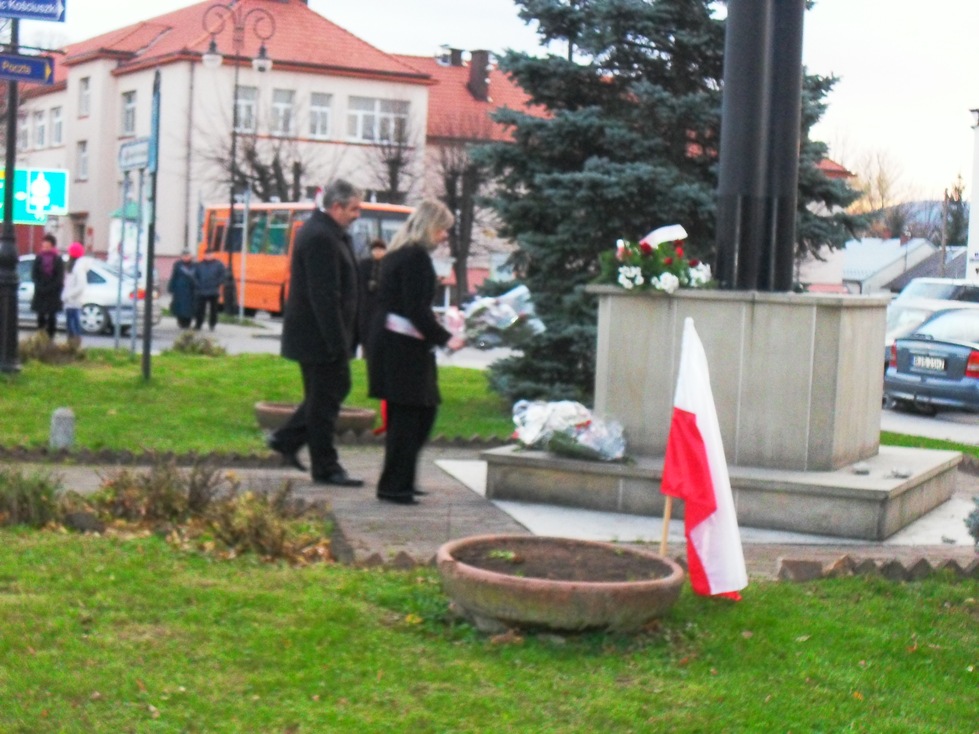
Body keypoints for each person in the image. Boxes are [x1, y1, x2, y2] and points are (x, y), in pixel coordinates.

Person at [267, 179, 365, 487]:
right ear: (336, 207)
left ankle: (287, 439)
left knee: (323, 397)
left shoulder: (329, 233)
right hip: (318, 338)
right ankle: (325, 467)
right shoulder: (321, 237)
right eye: (354, 209)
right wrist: (337, 342)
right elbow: (324, 296)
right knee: (325, 401)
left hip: (320, 336)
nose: (357, 215)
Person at [367, 200, 465, 505]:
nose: (444, 236)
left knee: (412, 414)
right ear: (429, 226)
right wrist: (447, 339)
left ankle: (400, 480)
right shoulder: (415, 258)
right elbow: (416, 310)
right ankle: (396, 485)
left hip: (395, 345)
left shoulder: (399, 255)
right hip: (403, 349)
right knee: (412, 416)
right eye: (442, 229)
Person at [355, 238, 387, 360]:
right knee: (366, 335)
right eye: (375, 249)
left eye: (381, 249)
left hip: (382, 306)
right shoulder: (364, 265)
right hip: (366, 306)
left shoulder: (388, 265)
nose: (378, 252)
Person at [31, 233, 65, 339]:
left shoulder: (58, 259)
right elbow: (34, 274)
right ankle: (41, 337)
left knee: (52, 317)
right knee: (40, 316)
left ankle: (50, 338)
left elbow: (59, 277)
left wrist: (50, 288)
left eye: (47, 246)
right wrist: (39, 286)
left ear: (52, 246)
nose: (45, 248)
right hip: (40, 292)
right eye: (43, 246)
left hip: (53, 294)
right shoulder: (38, 258)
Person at [61, 242, 90, 343]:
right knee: (71, 325)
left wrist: (68, 295)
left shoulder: (78, 267)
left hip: (74, 301)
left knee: (73, 325)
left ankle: (74, 344)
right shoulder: (74, 266)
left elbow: (81, 285)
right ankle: (72, 344)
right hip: (70, 301)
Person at [193, 249, 226, 331]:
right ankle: (198, 324)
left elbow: (223, 276)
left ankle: (212, 324)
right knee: (200, 309)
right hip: (201, 291)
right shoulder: (199, 265)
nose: (208, 256)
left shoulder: (219, 265)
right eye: (207, 254)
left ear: (213, 255)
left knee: (213, 310)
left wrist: (217, 283)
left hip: (213, 291)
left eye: (210, 254)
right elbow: (194, 276)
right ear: (204, 255)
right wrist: (198, 284)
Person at [168, 249, 197, 329]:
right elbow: (174, 276)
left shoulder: (195, 265)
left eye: (187, 255)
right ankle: (180, 321)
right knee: (179, 307)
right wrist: (171, 287)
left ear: (191, 256)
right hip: (180, 289)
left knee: (189, 308)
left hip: (191, 290)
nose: (186, 257)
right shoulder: (178, 265)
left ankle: (188, 322)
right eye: (184, 256)